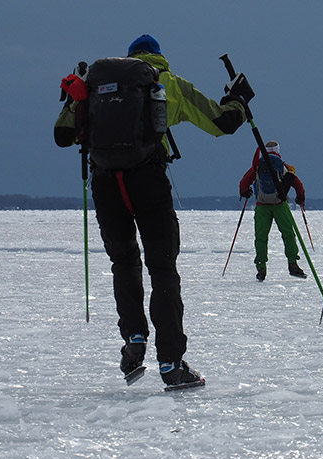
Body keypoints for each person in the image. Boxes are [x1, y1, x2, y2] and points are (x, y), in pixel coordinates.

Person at [86, 34, 251, 388]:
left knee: (124, 261)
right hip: (148, 182)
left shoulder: (96, 85)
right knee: (162, 269)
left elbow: (64, 134)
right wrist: (238, 99)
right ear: (158, 59)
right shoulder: (169, 83)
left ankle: (133, 341)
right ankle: (170, 364)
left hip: (105, 183)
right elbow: (223, 123)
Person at [239, 140, 307, 281]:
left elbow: (243, 183)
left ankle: (261, 267)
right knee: (288, 234)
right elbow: (298, 185)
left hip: (262, 206)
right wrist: (300, 199)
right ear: (278, 150)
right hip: (280, 205)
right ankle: (293, 264)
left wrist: (245, 192)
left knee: (261, 237)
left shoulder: (257, 165)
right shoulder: (283, 166)